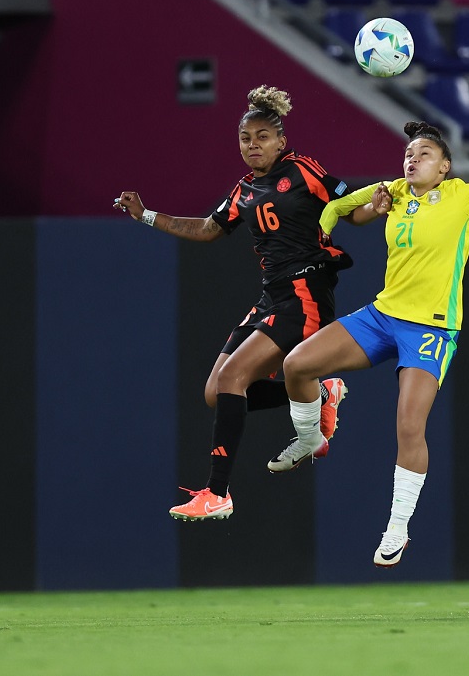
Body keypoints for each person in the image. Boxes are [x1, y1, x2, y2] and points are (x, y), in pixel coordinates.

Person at [267, 121, 469, 568]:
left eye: (424, 154)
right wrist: (333, 229)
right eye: (408, 153)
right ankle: (312, 436)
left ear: (445, 167)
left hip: (431, 328)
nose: (412, 159)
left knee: (409, 425)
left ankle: (397, 527)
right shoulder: (394, 192)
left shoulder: (465, 197)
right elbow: (338, 206)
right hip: (383, 316)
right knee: (296, 365)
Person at [113, 86, 354, 522]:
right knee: (215, 392)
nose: (254, 145)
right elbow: (208, 228)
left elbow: (350, 204)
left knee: (232, 377)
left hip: (305, 292)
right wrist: (146, 215)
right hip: (272, 295)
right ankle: (321, 393)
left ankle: (217, 492)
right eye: (246, 138)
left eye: (263, 136)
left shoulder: (302, 169)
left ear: (281, 140)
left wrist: (385, 201)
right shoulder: (245, 189)